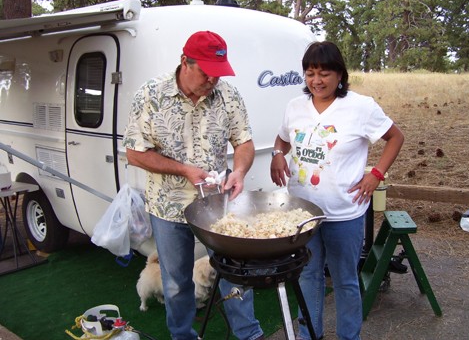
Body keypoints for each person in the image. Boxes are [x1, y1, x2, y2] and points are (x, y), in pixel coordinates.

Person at [123, 31, 264, 340]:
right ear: (185, 62)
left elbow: (244, 143)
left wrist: (239, 171)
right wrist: (183, 170)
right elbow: (134, 153)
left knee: (234, 273)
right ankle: (183, 336)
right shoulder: (150, 95)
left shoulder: (228, 95)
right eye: (206, 73)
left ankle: (248, 334)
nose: (213, 80)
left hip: (218, 205)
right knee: (175, 282)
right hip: (168, 207)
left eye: (219, 73)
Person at [270, 41, 404, 340]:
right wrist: (278, 154)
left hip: (344, 212)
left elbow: (395, 137)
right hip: (302, 213)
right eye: (310, 73)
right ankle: (309, 336)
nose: (316, 80)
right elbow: (282, 141)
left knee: (344, 281)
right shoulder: (295, 107)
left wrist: (377, 175)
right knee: (308, 275)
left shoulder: (361, 107)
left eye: (324, 73)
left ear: (340, 74)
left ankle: (348, 336)